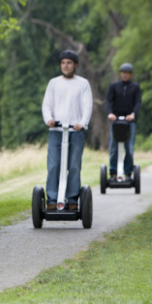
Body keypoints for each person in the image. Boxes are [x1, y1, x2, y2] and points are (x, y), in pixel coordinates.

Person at [42, 50, 93, 210]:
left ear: (75, 65)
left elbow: (87, 105)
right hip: (56, 131)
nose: (66, 65)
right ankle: (51, 199)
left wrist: (82, 123)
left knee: (74, 166)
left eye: (69, 63)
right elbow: (46, 105)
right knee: (53, 166)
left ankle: (71, 200)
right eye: (63, 63)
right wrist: (49, 119)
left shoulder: (83, 83)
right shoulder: (53, 83)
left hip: (75, 131)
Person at [105, 63, 142, 181]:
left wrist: (133, 114)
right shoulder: (114, 86)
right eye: (123, 73)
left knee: (129, 148)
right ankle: (113, 172)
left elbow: (138, 103)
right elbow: (108, 101)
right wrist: (110, 113)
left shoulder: (135, 87)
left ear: (131, 75)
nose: (124, 75)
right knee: (113, 147)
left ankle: (128, 173)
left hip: (129, 122)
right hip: (116, 121)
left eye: (127, 73)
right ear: (120, 74)